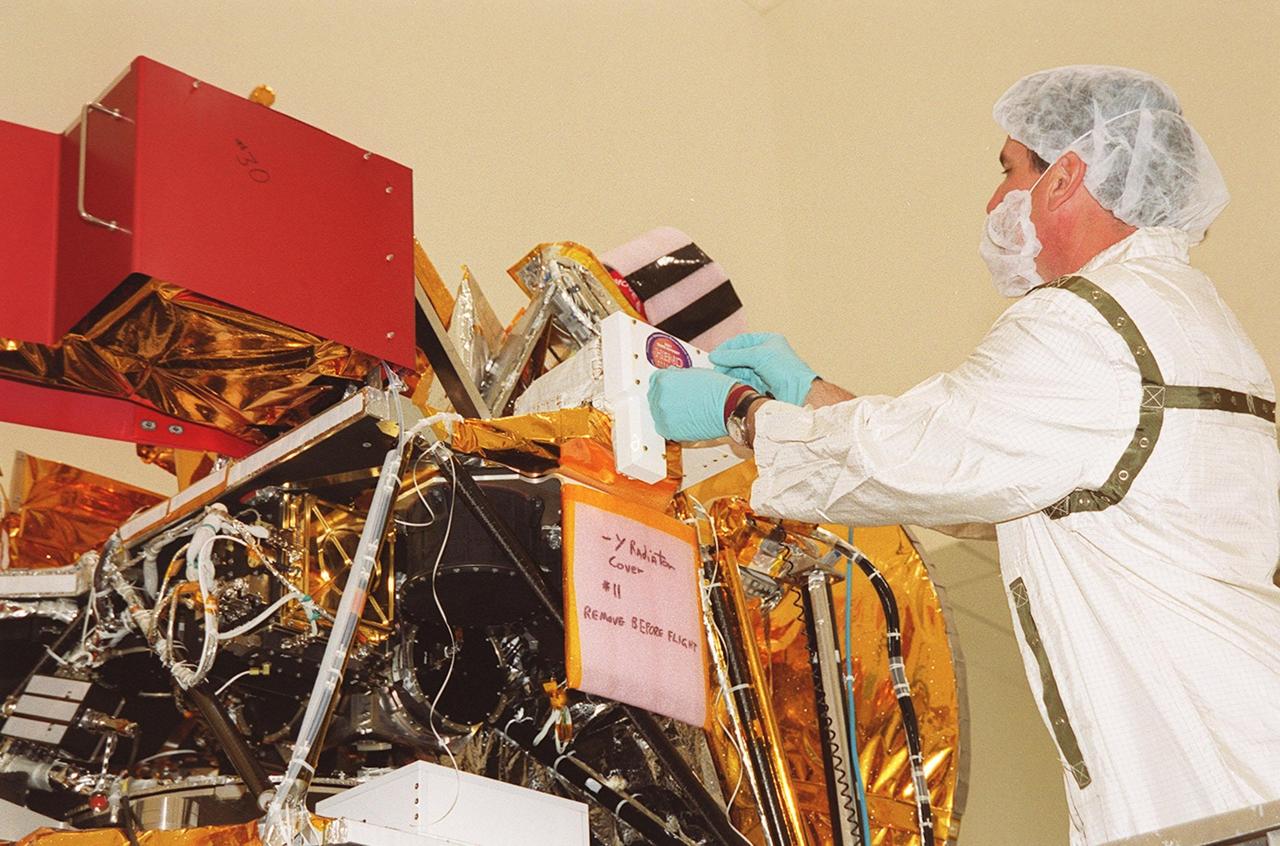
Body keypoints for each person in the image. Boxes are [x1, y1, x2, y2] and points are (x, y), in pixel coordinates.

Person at [648, 65, 1280, 845]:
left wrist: (740, 414)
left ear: (1067, 177)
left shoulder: (1085, 324)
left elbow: (921, 457)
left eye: (1011, 169)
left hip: (1212, 788)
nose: (994, 202)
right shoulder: (1186, 315)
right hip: (1240, 763)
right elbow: (988, 471)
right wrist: (809, 393)